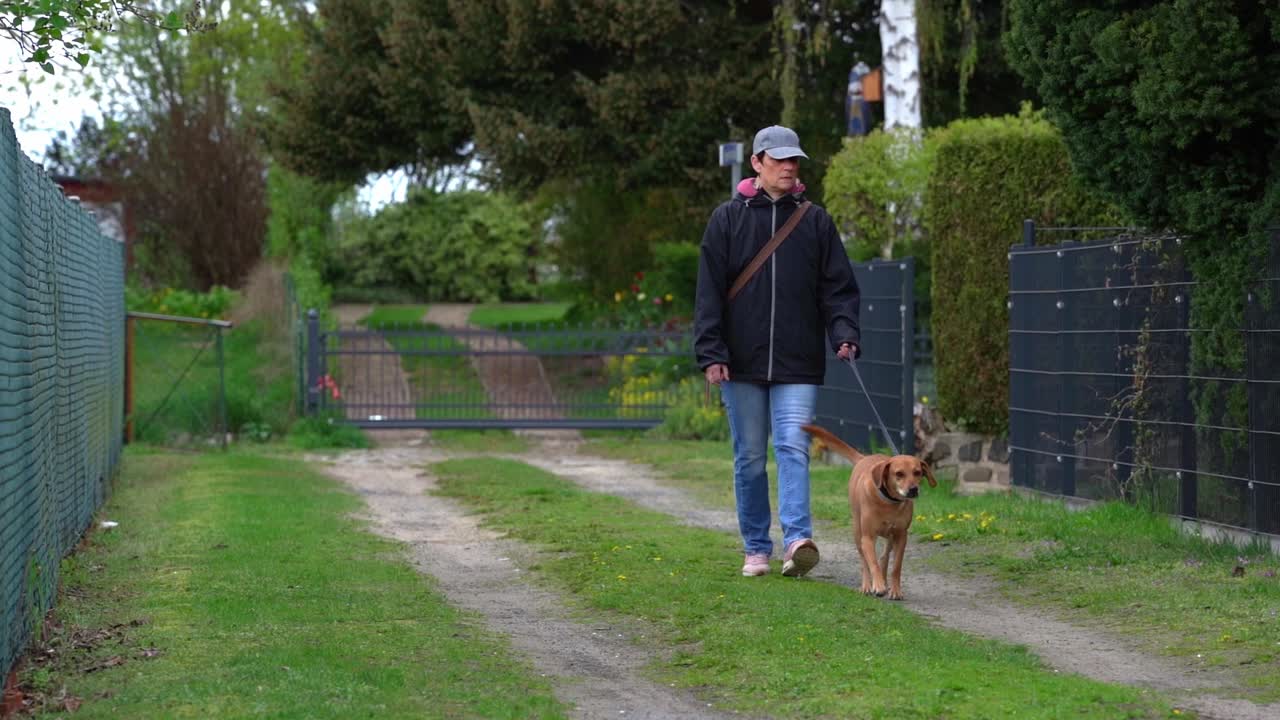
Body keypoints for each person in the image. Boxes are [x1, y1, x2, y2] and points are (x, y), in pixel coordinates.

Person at [694, 125, 861, 578]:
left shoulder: (815, 221)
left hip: (799, 360)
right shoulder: (726, 219)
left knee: (792, 446)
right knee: (749, 455)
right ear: (757, 163)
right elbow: (708, 293)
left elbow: (839, 289)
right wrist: (711, 353)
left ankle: (797, 542)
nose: (789, 167)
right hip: (740, 362)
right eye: (779, 159)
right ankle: (755, 546)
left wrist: (844, 333)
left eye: (795, 161)